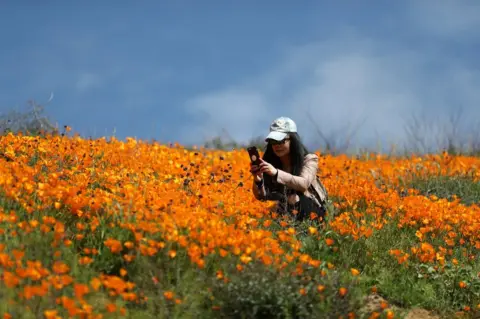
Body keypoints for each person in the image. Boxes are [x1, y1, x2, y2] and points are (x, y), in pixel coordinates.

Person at [250, 116, 328, 222]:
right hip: (287, 211)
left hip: (313, 213)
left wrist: (276, 173)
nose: (277, 145)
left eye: (281, 141)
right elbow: (261, 197)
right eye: (273, 141)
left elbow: (303, 184)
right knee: (270, 210)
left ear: (293, 140)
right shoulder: (272, 164)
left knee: (293, 198)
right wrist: (258, 180)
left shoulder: (310, 159)